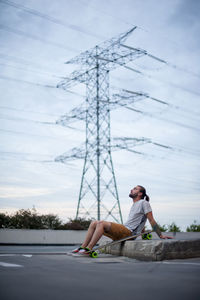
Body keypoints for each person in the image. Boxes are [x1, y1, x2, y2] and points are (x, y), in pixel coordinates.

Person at [72, 185, 173, 255]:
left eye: (135, 189)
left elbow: (151, 220)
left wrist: (161, 235)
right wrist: (142, 233)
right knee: (94, 223)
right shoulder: (134, 204)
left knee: (101, 223)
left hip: (128, 233)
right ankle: (83, 247)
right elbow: (141, 221)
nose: (131, 190)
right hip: (125, 231)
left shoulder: (144, 203)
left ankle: (89, 249)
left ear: (140, 194)